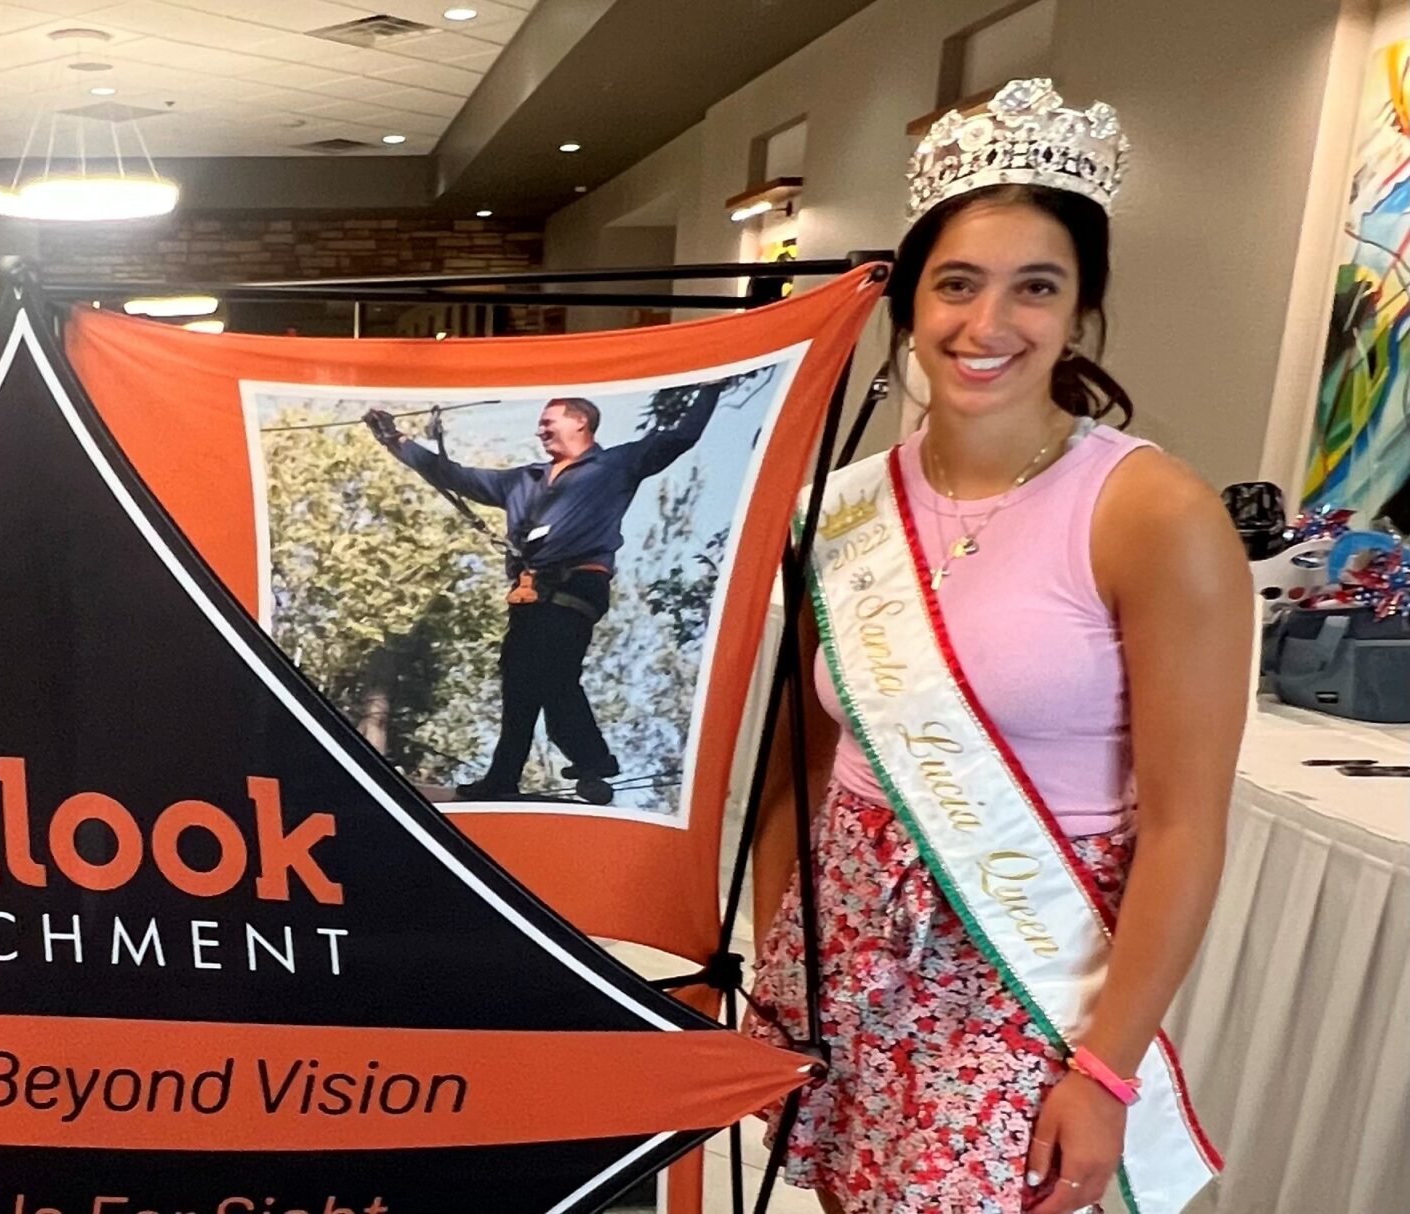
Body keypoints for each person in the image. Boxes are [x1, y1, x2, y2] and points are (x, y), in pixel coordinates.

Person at [748, 80, 1250, 1214]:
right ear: (910, 304)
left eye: (1036, 287)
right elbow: (799, 764)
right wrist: (790, 963)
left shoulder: (1151, 511)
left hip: (1026, 970)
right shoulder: (840, 509)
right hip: (850, 956)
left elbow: (1185, 823)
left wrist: (1107, 1065)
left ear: (1080, 311)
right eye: (957, 284)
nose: (989, 325)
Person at [364, 390, 720, 802]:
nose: (540, 431)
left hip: (574, 586)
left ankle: (589, 759)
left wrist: (713, 387)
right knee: (520, 683)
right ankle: (512, 777)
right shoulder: (523, 480)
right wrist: (396, 441)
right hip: (531, 596)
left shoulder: (617, 465)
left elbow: (682, 436)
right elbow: (453, 475)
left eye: (548, 422)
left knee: (548, 673)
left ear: (580, 422)